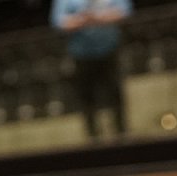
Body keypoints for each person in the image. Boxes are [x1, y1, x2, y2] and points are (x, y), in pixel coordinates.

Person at [52, 0, 129, 140]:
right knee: (87, 99)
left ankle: (122, 135)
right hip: (82, 56)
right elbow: (58, 22)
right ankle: (93, 139)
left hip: (109, 52)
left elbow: (124, 11)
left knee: (115, 94)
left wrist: (99, 18)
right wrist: (82, 20)